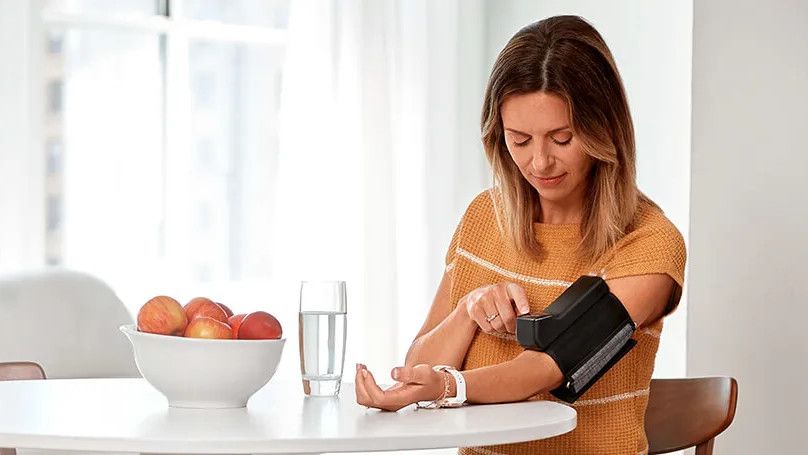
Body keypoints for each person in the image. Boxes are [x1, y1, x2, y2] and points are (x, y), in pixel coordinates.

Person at [354, 15, 686, 455]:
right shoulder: (482, 218)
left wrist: (448, 385)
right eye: (520, 139)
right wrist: (468, 312)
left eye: (562, 138)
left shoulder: (649, 244)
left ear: (602, 129)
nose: (540, 161)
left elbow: (551, 365)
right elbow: (418, 370)